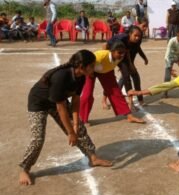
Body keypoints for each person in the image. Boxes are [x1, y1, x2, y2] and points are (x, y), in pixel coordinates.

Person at [19, 50, 112, 186]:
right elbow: (60, 108)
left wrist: (75, 124)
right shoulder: (61, 77)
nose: (94, 68)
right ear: (81, 66)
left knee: (79, 127)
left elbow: (75, 101)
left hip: (57, 101)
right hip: (38, 102)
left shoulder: (81, 76)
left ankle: (93, 157)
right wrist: (70, 133)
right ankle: (24, 168)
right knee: (38, 138)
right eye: (91, 66)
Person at [80, 42, 144, 124]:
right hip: (91, 71)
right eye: (119, 52)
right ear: (112, 51)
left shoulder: (120, 58)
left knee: (116, 92)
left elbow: (125, 75)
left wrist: (129, 89)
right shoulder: (100, 56)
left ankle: (129, 116)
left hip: (107, 70)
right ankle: (82, 119)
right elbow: (86, 62)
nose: (121, 55)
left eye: (123, 53)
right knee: (87, 95)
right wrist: (89, 72)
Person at [101, 26, 148, 108]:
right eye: (135, 35)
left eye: (139, 36)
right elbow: (105, 45)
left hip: (126, 57)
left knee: (135, 77)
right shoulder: (121, 39)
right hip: (116, 56)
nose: (137, 38)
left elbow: (136, 50)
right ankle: (105, 100)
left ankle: (139, 100)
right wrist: (107, 61)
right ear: (129, 34)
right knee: (125, 76)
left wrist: (144, 58)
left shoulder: (138, 40)